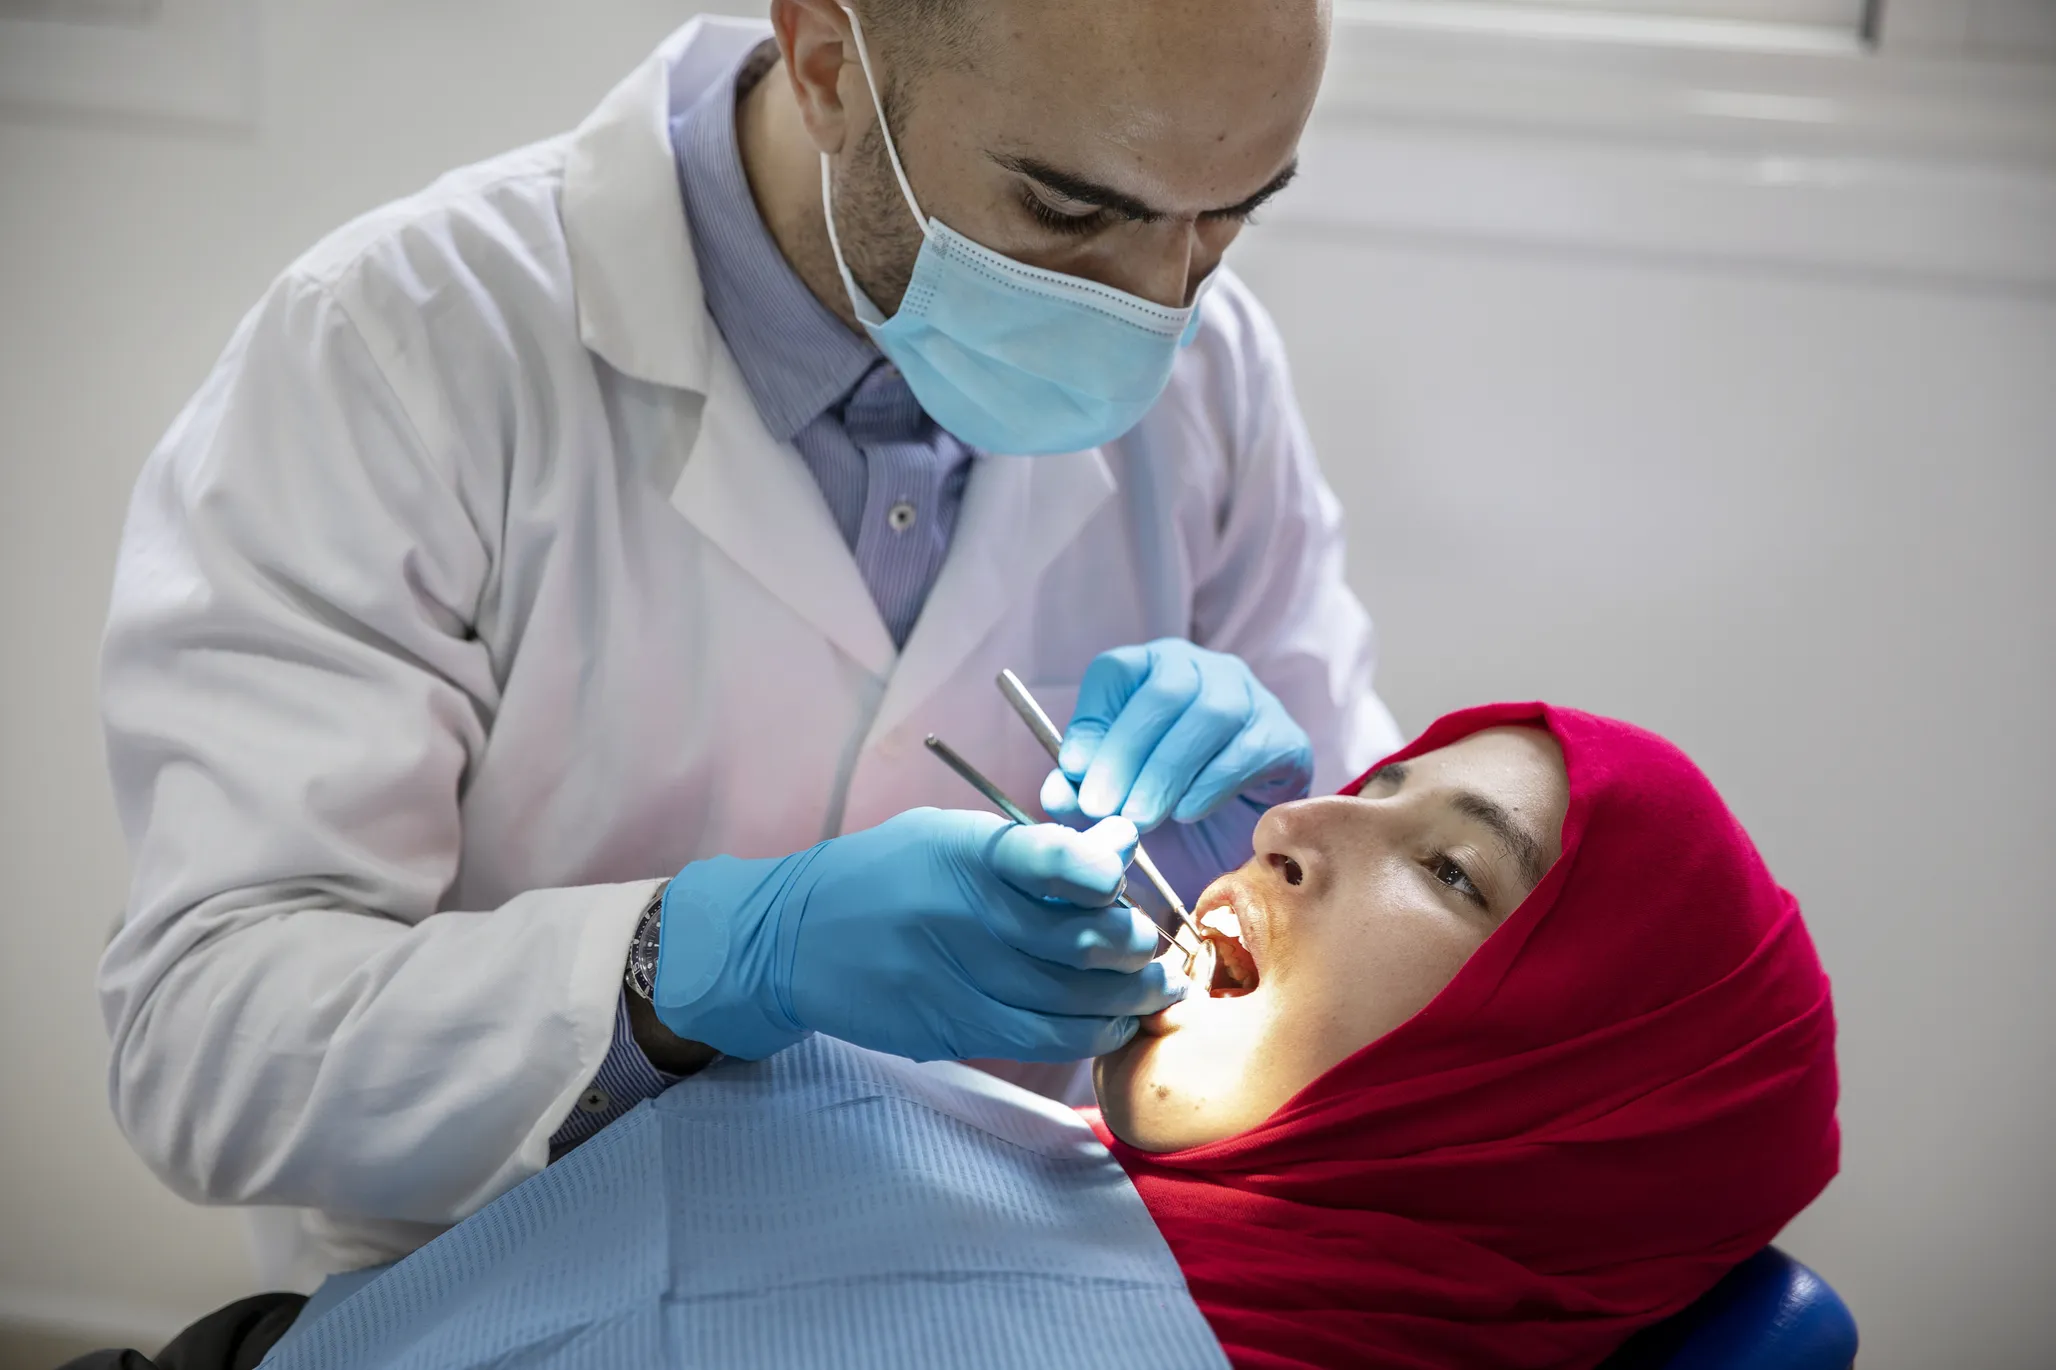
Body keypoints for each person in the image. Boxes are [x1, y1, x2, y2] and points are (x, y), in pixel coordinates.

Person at [95, 0, 1398, 1279]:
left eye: (1232, 212)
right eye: (1068, 211)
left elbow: (1395, 964)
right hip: (514, 1284)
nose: (1160, 303)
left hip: (1003, 1279)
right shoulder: (401, 352)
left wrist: (1291, 863)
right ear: (828, 63)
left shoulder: (1218, 376)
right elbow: (209, 1043)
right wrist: (708, 955)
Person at [105, 703, 1830, 1370]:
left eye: (1449, 866)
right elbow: (209, 1029)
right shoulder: (1121, 1196)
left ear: (1549, 1114)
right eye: (1362, 782)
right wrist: (708, 966)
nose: (1295, 816)